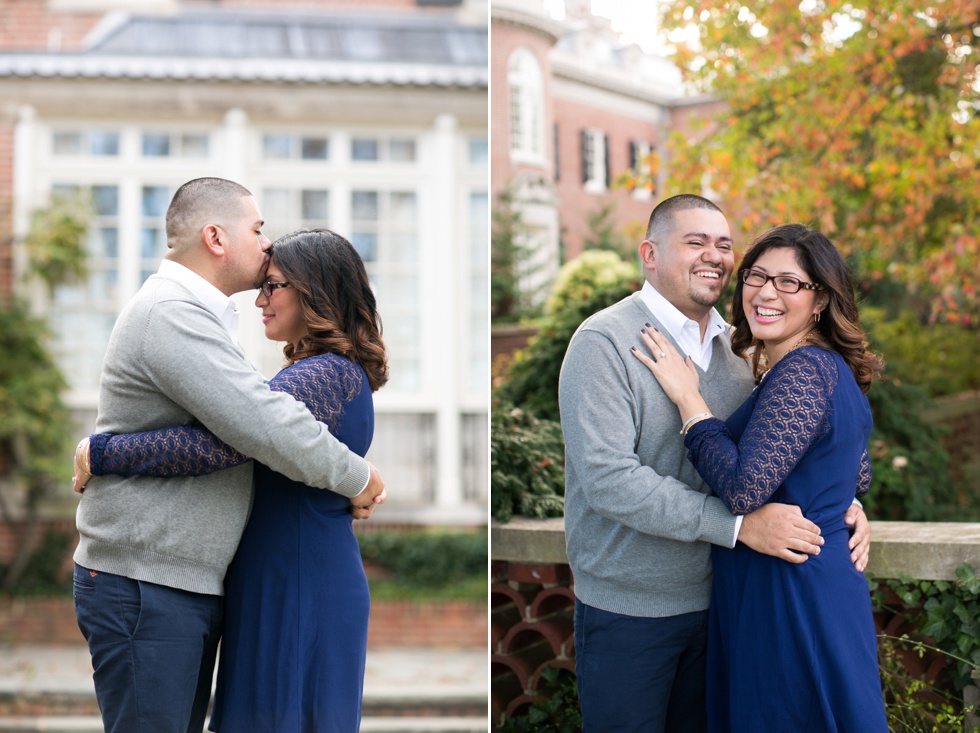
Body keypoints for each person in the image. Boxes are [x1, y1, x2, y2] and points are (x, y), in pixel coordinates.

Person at [71, 180, 386, 733]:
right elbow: (254, 429)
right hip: (150, 582)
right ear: (215, 237)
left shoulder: (317, 368)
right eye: (258, 229)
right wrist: (359, 478)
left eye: (276, 284)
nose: (265, 245)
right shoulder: (171, 313)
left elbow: (250, 429)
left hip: (222, 580)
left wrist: (104, 450)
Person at [557, 195, 871, 733]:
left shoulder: (743, 350)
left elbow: (797, 448)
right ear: (650, 254)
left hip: (727, 605)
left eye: (725, 245)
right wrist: (737, 526)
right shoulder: (603, 342)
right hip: (634, 608)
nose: (714, 256)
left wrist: (841, 500)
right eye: (695, 241)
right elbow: (610, 480)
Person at [632, 223, 888, 732]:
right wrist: (847, 507)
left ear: (820, 299)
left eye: (790, 282)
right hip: (813, 575)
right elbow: (855, 473)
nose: (767, 292)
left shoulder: (803, 370)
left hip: (789, 588)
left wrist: (689, 399)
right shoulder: (823, 367)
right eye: (756, 276)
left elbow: (746, 487)